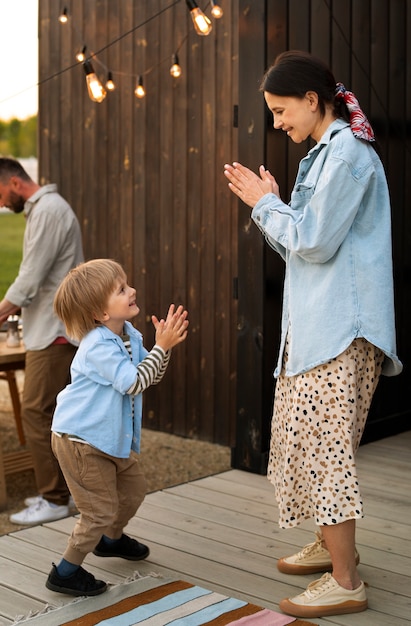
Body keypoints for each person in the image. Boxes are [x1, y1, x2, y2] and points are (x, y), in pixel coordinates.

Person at [224, 50, 402, 619]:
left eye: (281, 111)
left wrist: (265, 203)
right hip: (319, 326)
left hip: (340, 329)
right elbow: (301, 245)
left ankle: (346, 579)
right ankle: (331, 550)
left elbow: (315, 242)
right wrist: (271, 206)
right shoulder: (324, 155)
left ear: (311, 99)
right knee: (312, 444)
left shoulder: (348, 154)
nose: (278, 123)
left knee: (327, 453)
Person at [45, 258, 189, 596]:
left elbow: (148, 377)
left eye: (127, 284)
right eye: (121, 289)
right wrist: (162, 347)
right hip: (80, 441)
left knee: (134, 490)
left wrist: (160, 349)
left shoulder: (128, 334)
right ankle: (66, 572)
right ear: (100, 314)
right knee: (98, 511)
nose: (132, 290)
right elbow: (132, 383)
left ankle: (110, 541)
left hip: (110, 436)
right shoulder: (97, 346)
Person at [0, 157, 84, 525]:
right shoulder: (43, 209)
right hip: (50, 329)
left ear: (15, 183)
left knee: (36, 412)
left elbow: (30, 278)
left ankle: (55, 499)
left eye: (0, 194)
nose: (1, 203)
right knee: (50, 413)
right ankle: (61, 493)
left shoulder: (49, 209)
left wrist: (1, 311)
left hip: (54, 333)